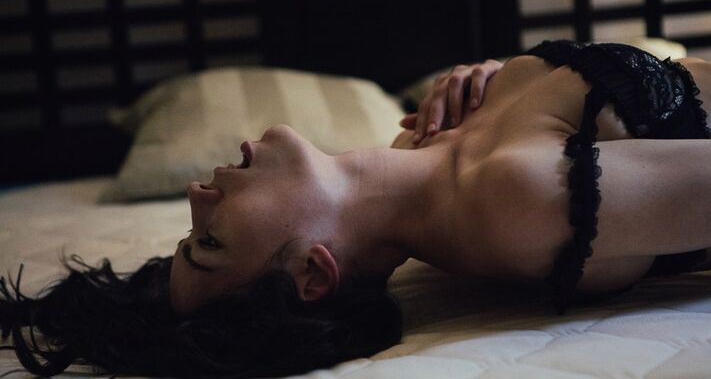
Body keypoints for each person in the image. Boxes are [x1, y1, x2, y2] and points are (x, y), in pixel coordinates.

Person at [2, 40, 711, 377]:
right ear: (314, 274)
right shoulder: (508, 205)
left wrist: (502, 75)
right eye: (209, 241)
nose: (196, 195)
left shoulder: (420, 139)